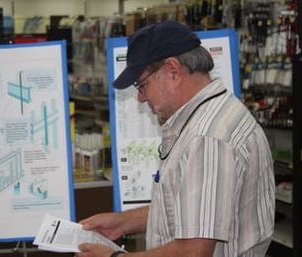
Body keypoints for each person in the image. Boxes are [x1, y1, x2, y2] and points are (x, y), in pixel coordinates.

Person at [76, 21, 275, 257]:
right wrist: (122, 223)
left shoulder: (207, 138)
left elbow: (194, 252)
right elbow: (192, 212)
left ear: (173, 71)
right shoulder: (213, 116)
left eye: (142, 85)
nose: (140, 98)